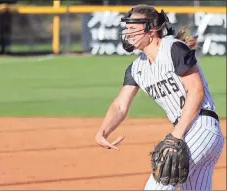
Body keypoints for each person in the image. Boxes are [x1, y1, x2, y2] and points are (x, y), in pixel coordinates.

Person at [94, 4, 225, 190]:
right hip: (192, 131)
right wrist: (103, 131)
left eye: (133, 28)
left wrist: (176, 135)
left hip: (201, 127)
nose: (128, 33)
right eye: (127, 28)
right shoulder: (136, 68)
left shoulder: (173, 48)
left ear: (152, 29)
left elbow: (196, 91)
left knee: (157, 186)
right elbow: (120, 106)